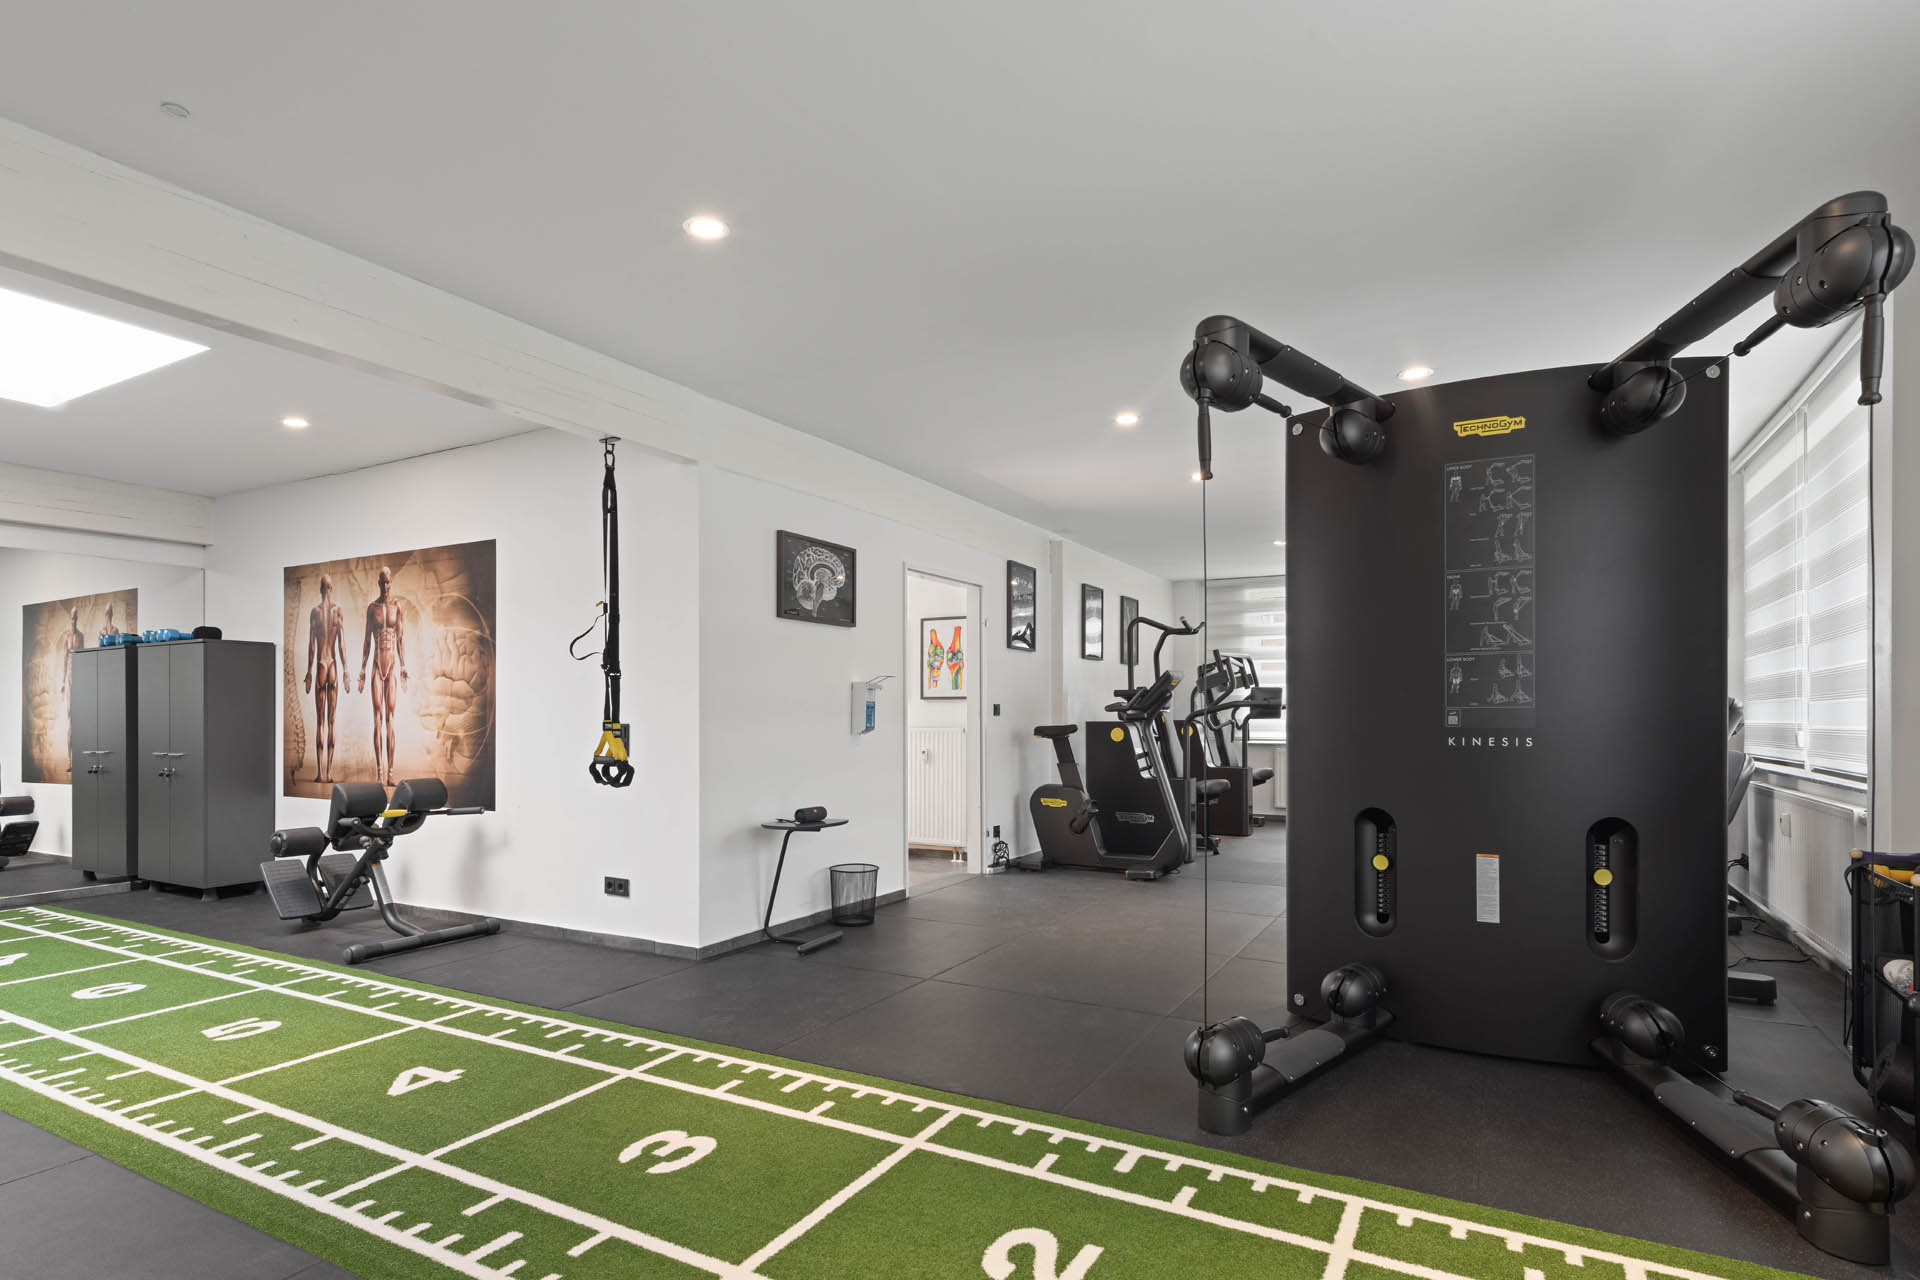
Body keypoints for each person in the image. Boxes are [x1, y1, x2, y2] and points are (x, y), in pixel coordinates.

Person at [358, 567, 408, 786]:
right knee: (377, 720)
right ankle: (379, 773)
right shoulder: (372, 608)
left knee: (391, 720)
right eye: (382, 582)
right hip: (377, 667)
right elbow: (367, 641)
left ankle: (391, 773)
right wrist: (362, 670)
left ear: (391, 582)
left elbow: (400, 639)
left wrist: (404, 665)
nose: (385, 586)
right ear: (378, 583)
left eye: (388, 582)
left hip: (392, 666)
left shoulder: (397, 606)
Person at [303, 574, 350, 783]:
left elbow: (312, 646)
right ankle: (328, 773)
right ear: (330, 588)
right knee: (331, 721)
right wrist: (345, 670)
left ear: (321, 589)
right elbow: (341, 644)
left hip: (321, 665)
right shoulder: (337, 611)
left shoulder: (315, 612)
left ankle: (321, 773)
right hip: (333, 666)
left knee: (320, 722)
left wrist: (309, 671)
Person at [60, 606, 83, 696]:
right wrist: (63, 681)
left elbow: (83, 657)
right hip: (69, 672)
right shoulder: (67, 636)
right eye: (72, 618)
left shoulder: (80, 636)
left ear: (77, 618)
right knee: (69, 701)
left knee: (78, 697)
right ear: (70, 618)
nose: (74, 621)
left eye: (75, 618)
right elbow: (65, 659)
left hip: (78, 671)